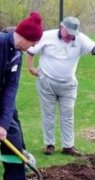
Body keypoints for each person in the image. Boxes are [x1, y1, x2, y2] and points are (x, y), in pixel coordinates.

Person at [26, 16, 95, 156]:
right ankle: (49, 145)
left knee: (68, 115)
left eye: (73, 34)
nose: (70, 36)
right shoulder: (47, 36)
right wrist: (31, 68)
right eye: (68, 33)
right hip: (46, 82)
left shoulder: (80, 39)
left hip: (68, 85)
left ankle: (68, 146)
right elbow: (30, 51)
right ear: (61, 26)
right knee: (48, 114)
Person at [0, 12, 43, 180]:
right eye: (34, 42)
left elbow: (11, 87)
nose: (34, 46)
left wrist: (3, 124)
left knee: (13, 138)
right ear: (27, 37)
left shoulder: (17, 53)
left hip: (2, 100)